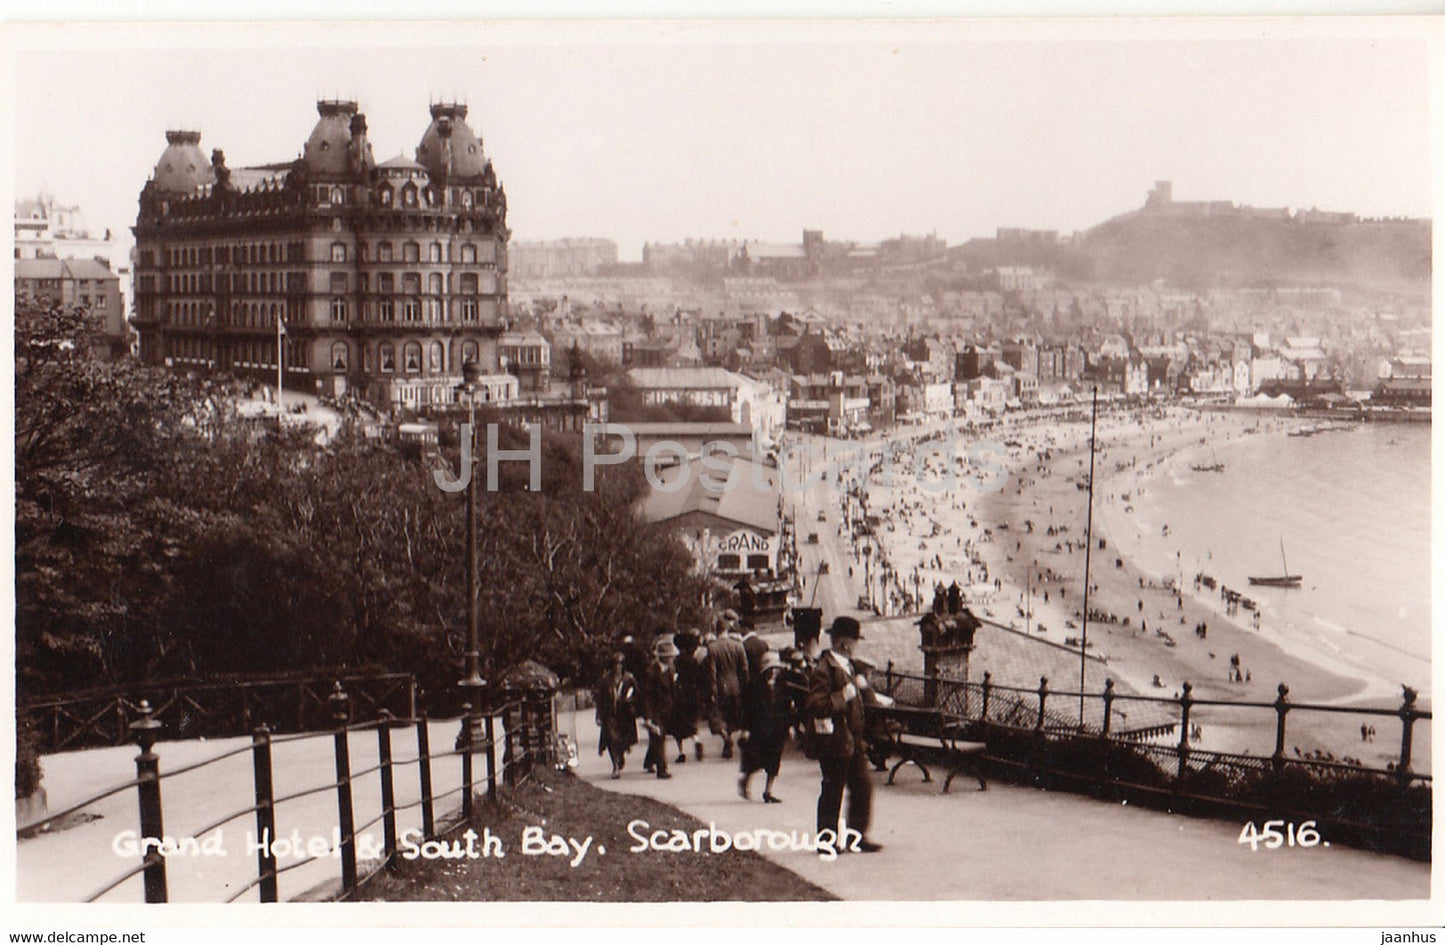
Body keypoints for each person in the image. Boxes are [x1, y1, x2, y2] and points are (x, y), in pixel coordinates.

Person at [805, 615, 883, 853]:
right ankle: (826, 842)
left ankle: (856, 836)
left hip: (852, 740)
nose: (856, 646)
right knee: (833, 790)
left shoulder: (846, 665)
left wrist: (863, 689)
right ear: (846, 644)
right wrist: (844, 696)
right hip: (835, 741)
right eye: (855, 642)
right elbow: (816, 705)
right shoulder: (824, 670)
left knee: (862, 786)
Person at [738, 651, 790, 803]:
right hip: (758, 728)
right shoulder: (753, 686)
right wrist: (745, 729)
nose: (773, 671)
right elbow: (746, 709)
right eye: (770, 669)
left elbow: (786, 708)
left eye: (775, 668)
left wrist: (790, 727)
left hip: (776, 728)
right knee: (755, 760)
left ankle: (768, 791)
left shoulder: (782, 685)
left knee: (774, 761)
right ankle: (745, 781)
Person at [706, 610, 750, 759]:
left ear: (717, 630)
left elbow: (712, 672)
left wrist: (712, 689)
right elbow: (744, 669)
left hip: (720, 685)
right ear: (727, 629)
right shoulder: (737, 646)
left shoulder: (712, 648)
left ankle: (725, 737)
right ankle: (729, 737)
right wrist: (744, 685)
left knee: (719, 715)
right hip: (735, 685)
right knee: (732, 715)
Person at [593, 652, 638, 779]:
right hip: (609, 714)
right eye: (615, 664)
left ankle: (621, 755)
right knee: (612, 739)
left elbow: (637, 695)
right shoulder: (605, 680)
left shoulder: (629, 679)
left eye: (620, 664)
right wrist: (598, 715)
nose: (618, 667)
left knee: (622, 740)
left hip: (624, 715)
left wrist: (631, 702)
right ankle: (615, 767)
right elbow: (599, 699)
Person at [641, 637, 680, 780]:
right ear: (664, 657)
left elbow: (673, 691)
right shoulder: (651, 672)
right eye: (670, 657)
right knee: (659, 738)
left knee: (657, 738)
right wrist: (648, 717)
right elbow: (646, 697)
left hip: (667, 710)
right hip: (655, 711)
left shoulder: (670, 670)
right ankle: (662, 769)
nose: (673, 659)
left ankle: (648, 761)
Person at [672, 629, 706, 762]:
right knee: (692, 721)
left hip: (680, 694)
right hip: (693, 693)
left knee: (677, 726)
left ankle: (681, 752)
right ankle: (697, 740)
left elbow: (674, 677)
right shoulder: (694, 661)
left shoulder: (676, 661)